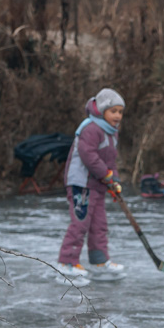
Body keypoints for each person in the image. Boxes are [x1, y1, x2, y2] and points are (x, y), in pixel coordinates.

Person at [56, 88, 128, 282]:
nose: (117, 116)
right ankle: (67, 262)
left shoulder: (112, 133)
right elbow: (89, 157)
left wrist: (115, 182)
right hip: (81, 184)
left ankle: (99, 260)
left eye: (120, 112)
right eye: (113, 111)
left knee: (99, 225)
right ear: (103, 110)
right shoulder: (90, 128)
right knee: (80, 222)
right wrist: (107, 176)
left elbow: (111, 161)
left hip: (97, 185)